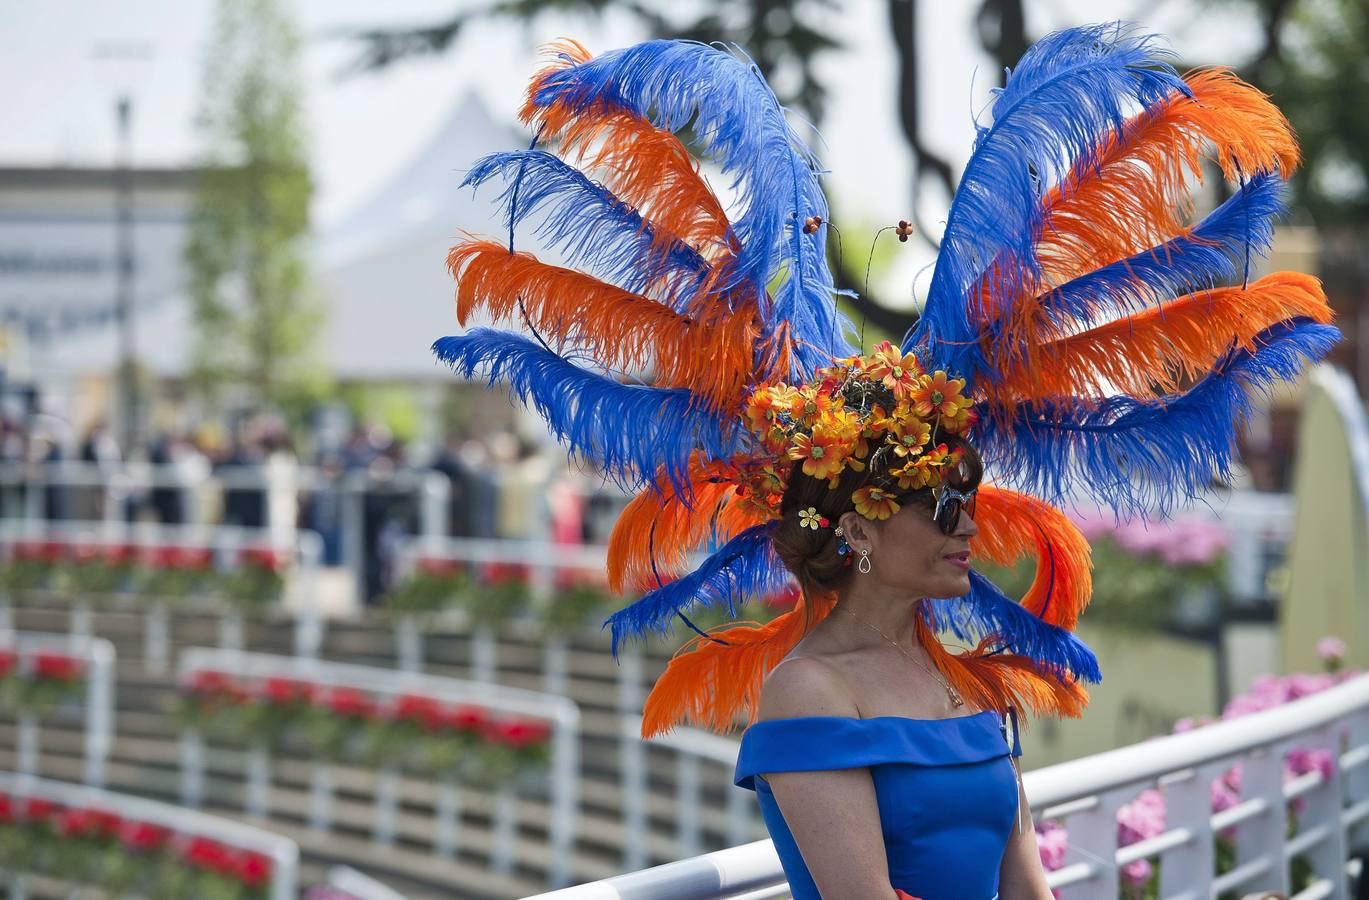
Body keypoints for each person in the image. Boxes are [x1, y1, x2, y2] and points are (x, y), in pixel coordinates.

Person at [434, 24, 1333, 898]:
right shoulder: (807, 692)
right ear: (860, 525)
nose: (971, 526)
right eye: (940, 506)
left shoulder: (956, 670)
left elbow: (1027, 889)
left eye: (968, 494)